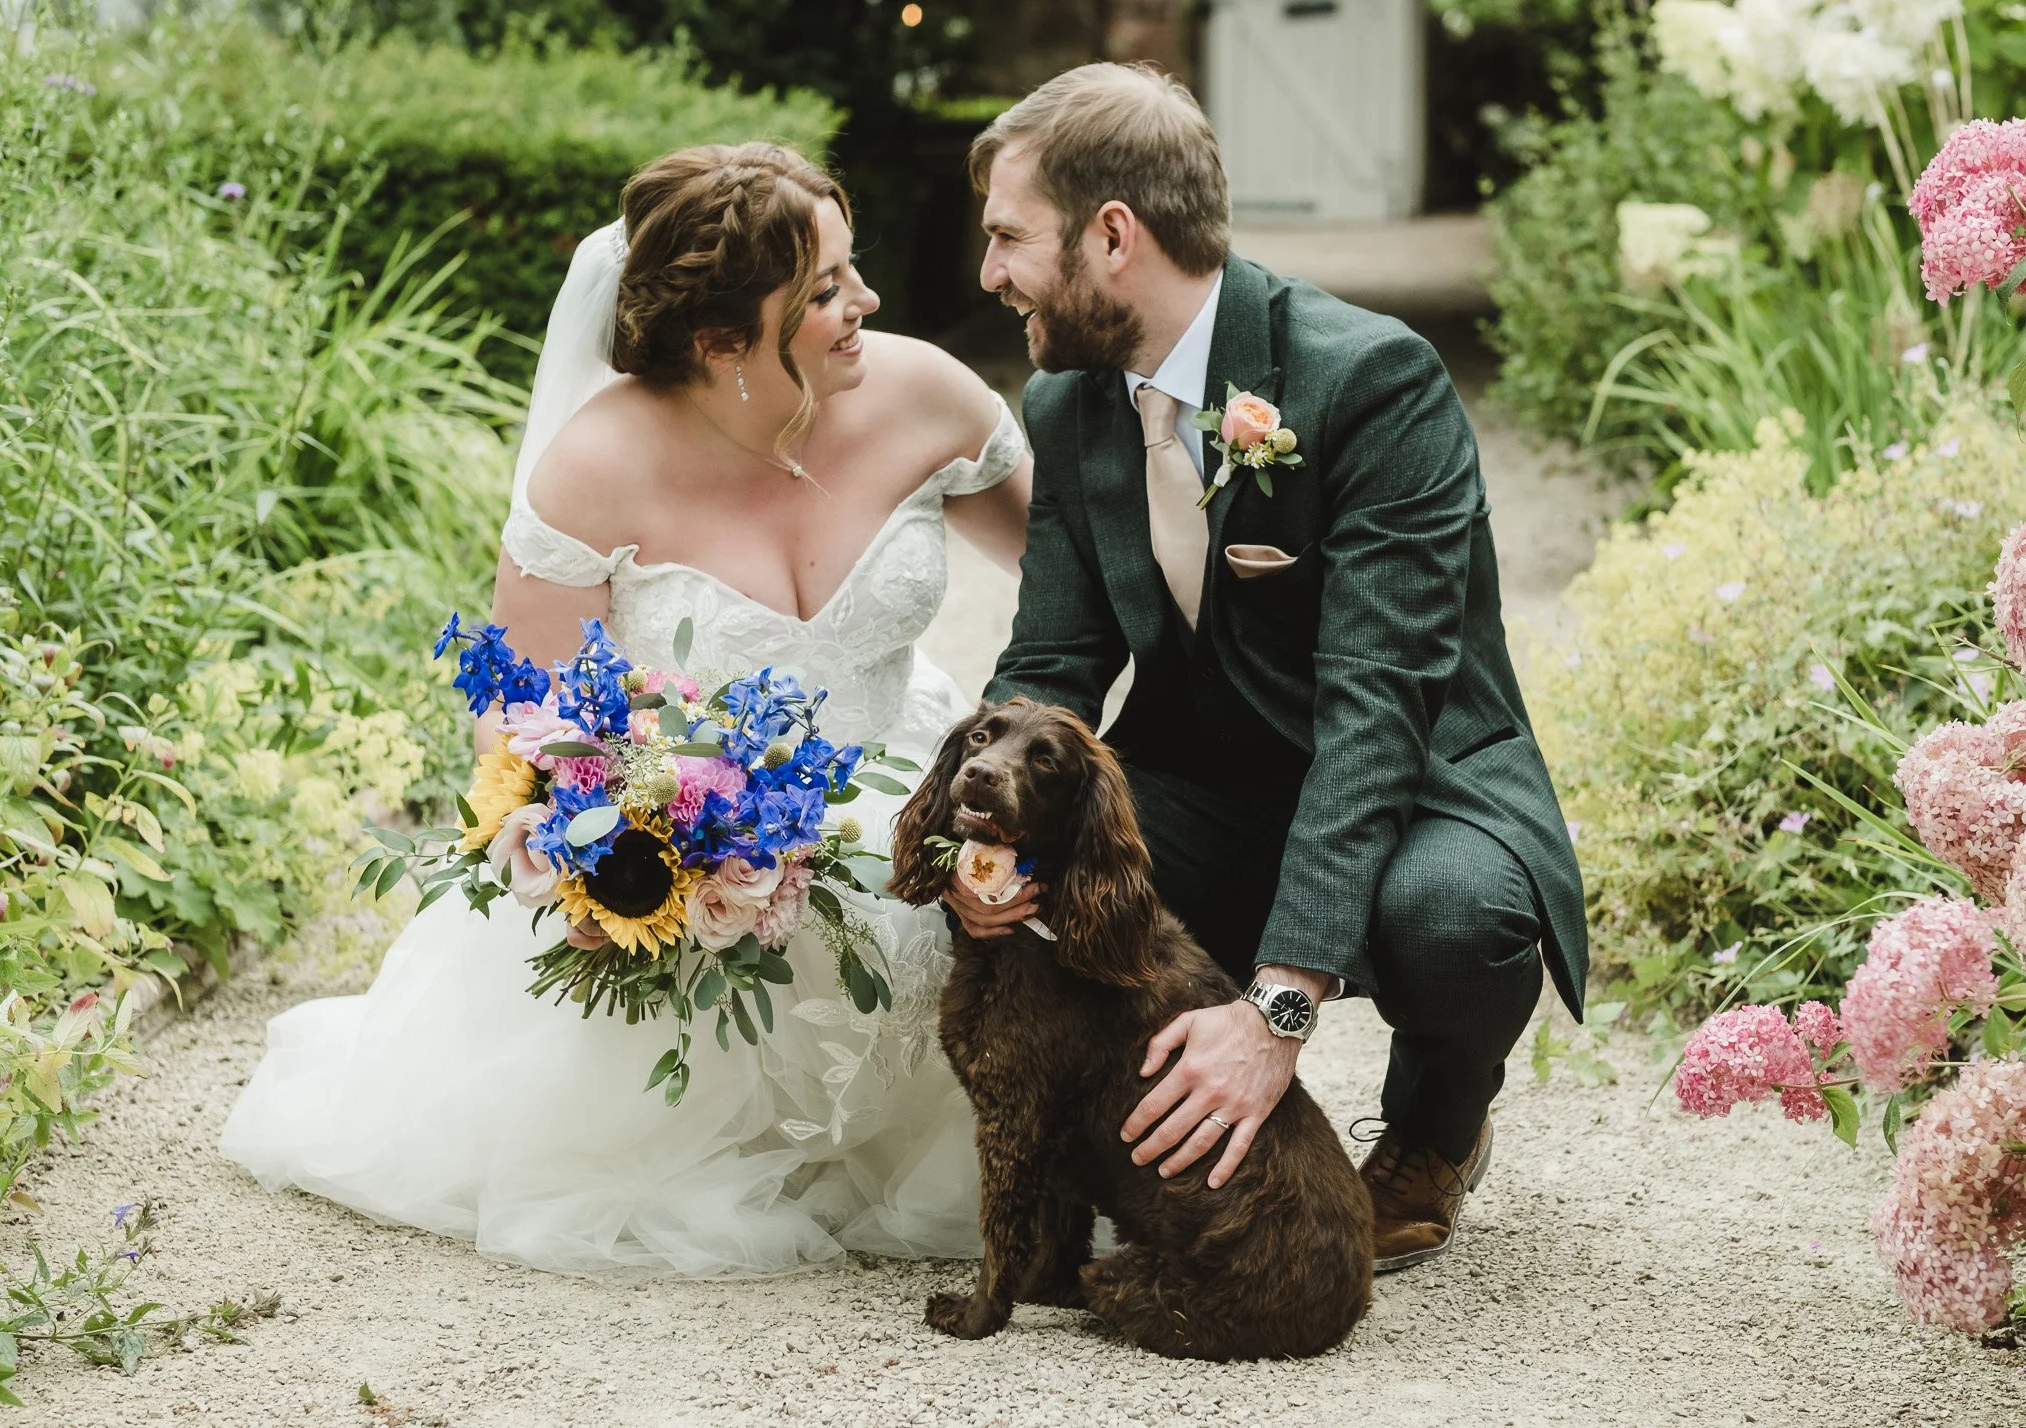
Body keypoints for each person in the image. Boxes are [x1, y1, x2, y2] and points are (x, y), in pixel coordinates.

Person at [221, 143, 1031, 1276]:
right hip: (698, 820)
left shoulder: (930, 397)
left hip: (899, 781)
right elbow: (527, 724)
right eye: (824, 292)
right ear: (719, 344)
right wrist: (640, 852)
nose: (867, 303)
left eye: (853, 270)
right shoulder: (596, 468)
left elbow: (1077, 587)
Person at [941, 66, 1588, 1272]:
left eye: (1008, 238)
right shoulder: (1071, 401)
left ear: (1112, 235)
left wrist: (1277, 1011)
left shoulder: (1368, 380)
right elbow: (1052, 661)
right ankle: (1133, 1141)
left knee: (1451, 919)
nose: (990, 274)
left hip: (1417, 787)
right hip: (1213, 784)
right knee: (1048, 876)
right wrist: (990, 849)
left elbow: (1374, 708)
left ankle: (1432, 1138)